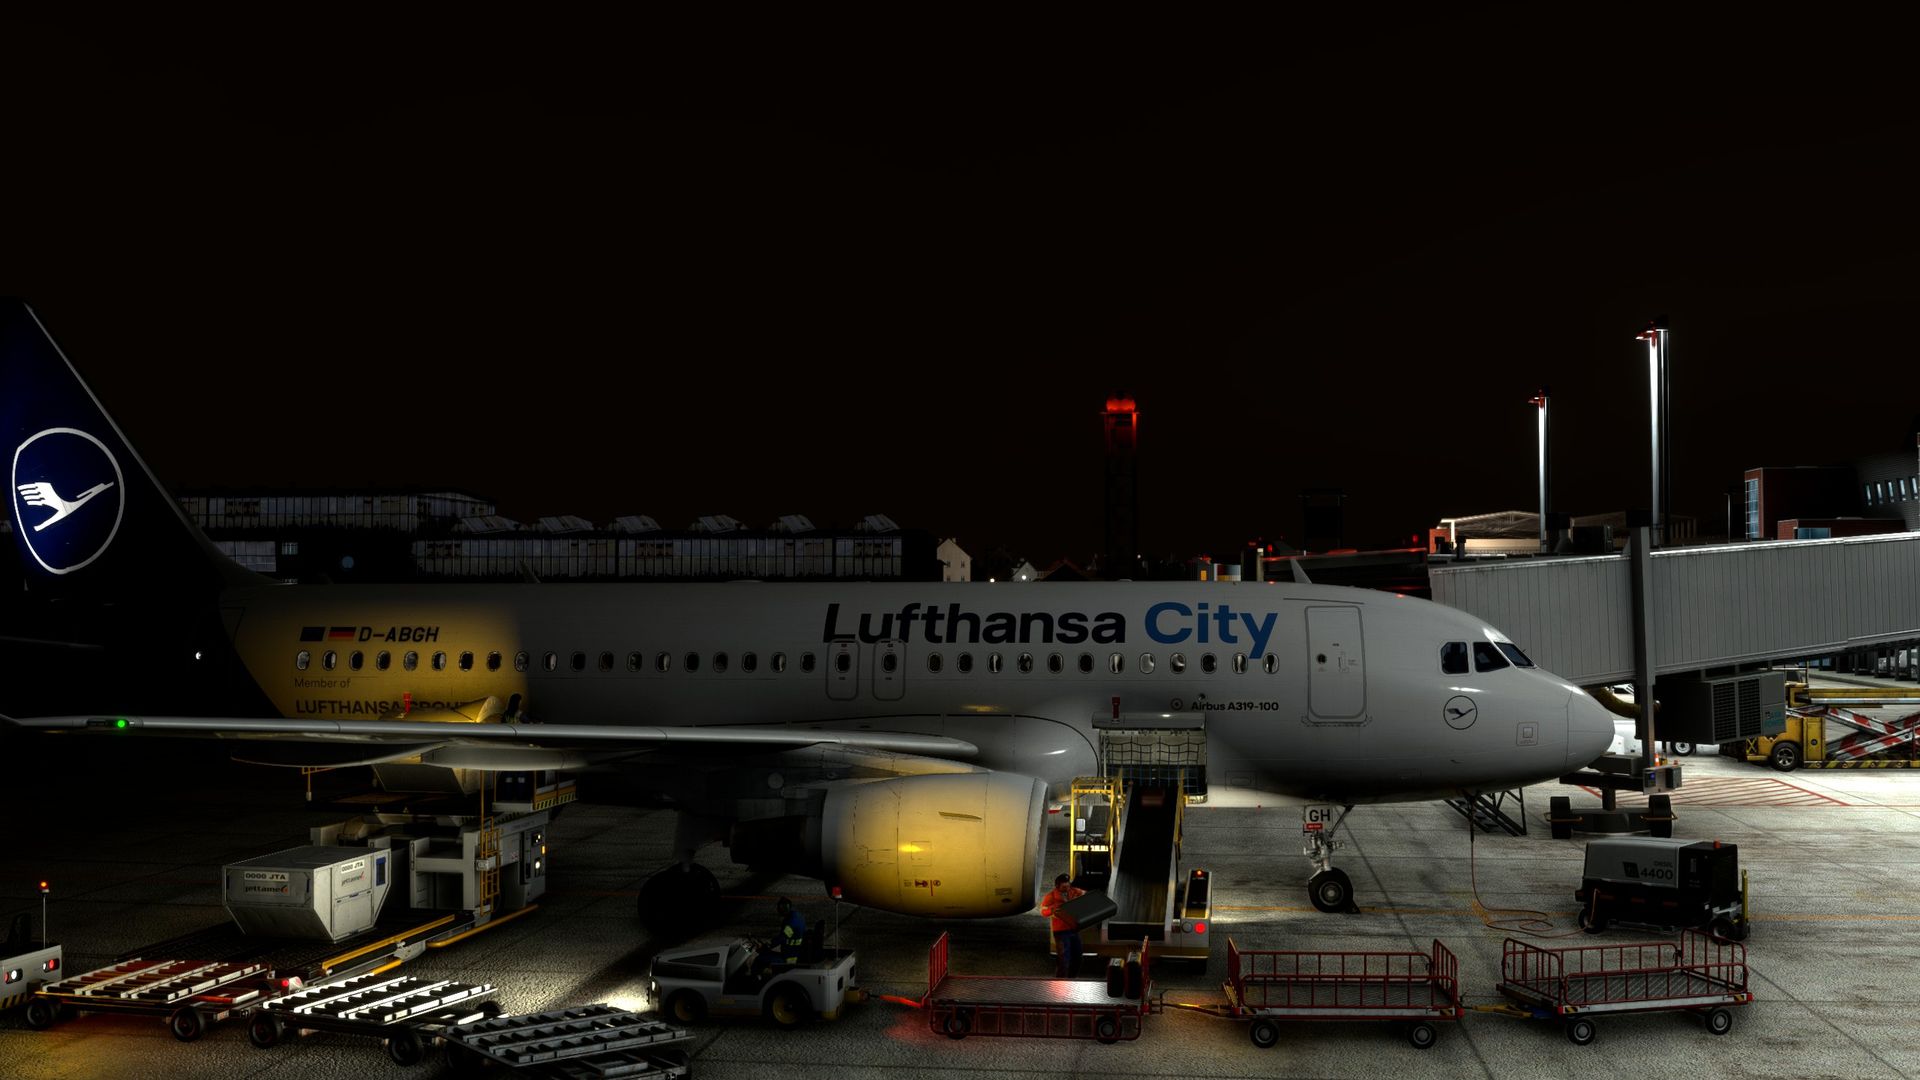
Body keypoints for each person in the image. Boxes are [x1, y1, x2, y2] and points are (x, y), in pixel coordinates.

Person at [1039, 873, 1085, 978]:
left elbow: (1085, 894)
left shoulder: (1074, 891)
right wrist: (1052, 910)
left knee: (1078, 957)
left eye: (1068, 886)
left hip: (1073, 929)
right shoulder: (1051, 896)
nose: (1067, 889)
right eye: (1064, 887)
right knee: (1064, 959)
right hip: (1061, 931)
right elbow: (1043, 911)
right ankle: (1060, 981)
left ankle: (1072, 979)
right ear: (1057, 886)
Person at [751, 896, 808, 979]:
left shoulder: (791, 923)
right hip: (793, 953)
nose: (777, 910)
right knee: (767, 955)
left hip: (789, 958)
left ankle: (755, 981)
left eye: (779, 908)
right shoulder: (797, 916)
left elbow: (782, 937)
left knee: (759, 960)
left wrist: (768, 945)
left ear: (783, 909)